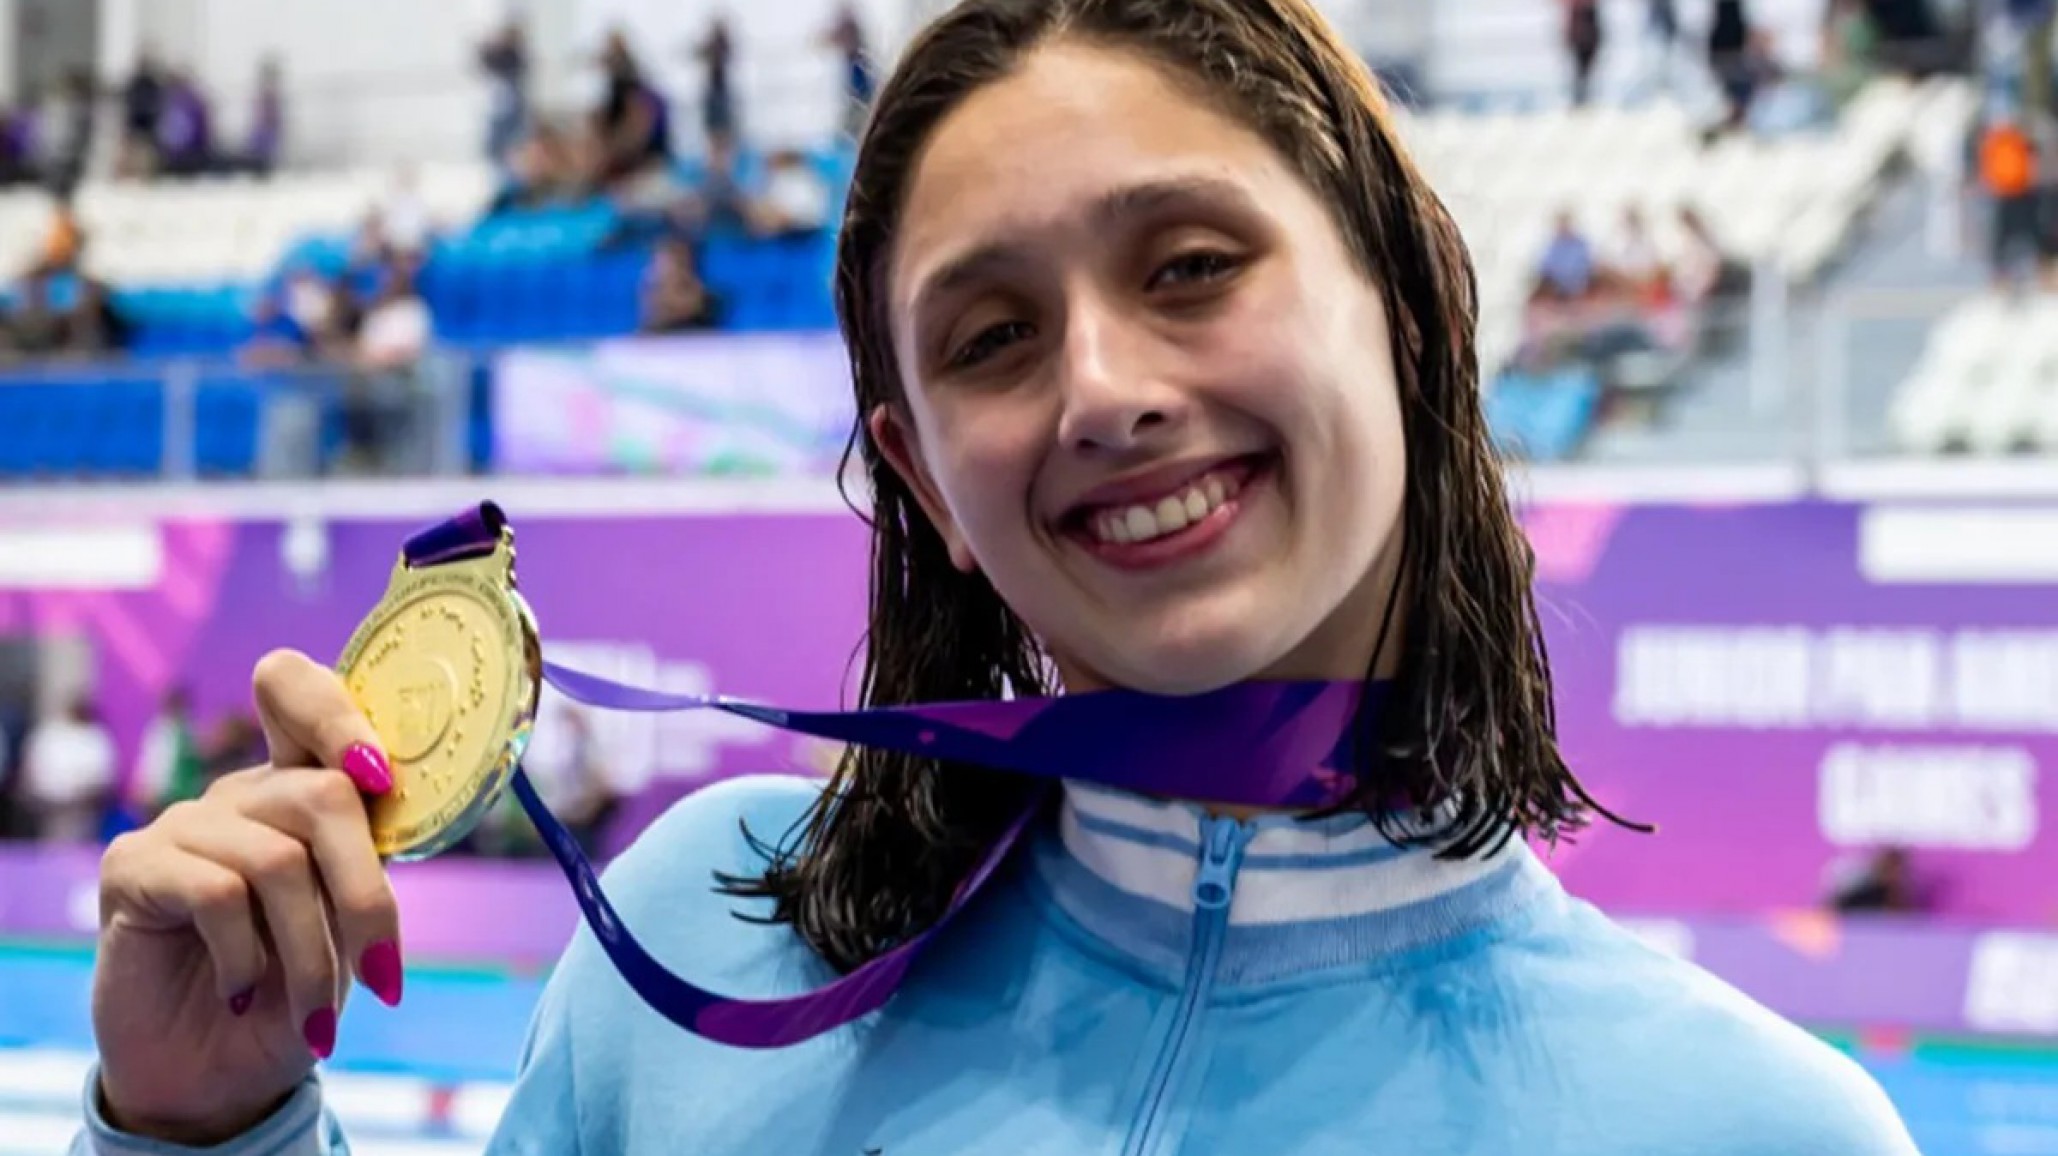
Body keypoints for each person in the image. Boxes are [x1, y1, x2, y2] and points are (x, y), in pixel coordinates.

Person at [76, 1, 1919, 1153]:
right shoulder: (693, 942)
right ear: (924, 482)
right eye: (989, 337)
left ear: (1407, 316)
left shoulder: (1756, 1129)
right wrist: (197, 1129)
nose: (1105, 389)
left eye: (1192, 263)